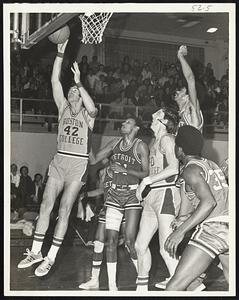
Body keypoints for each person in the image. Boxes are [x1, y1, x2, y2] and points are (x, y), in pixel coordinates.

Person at [17, 39, 98, 277]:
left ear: (82, 96)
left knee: (64, 209)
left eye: (76, 91)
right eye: (71, 90)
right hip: (60, 159)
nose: (72, 92)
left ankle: (50, 258)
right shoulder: (62, 106)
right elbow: (54, 80)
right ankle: (35, 251)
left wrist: (79, 82)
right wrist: (60, 54)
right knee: (45, 205)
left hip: (77, 163)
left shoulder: (88, 114)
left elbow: (93, 109)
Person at [165, 125, 229, 290]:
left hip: (215, 228)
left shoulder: (190, 170)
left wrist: (180, 232)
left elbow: (209, 203)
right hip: (230, 225)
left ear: (180, 149)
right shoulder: (211, 164)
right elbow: (217, 199)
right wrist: (184, 217)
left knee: (173, 287)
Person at [91, 117, 149, 290]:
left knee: (130, 241)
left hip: (132, 194)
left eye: (128, 123)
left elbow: (146, 173)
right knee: (111, 241)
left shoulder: (141, 146)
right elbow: (93, 160)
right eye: (123, 122)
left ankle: (141, 277)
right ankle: (112, 287)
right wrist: (85, 139)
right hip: (114, 195)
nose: (123, 124)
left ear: (136, 128)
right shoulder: (114, 143)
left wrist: (126, 170)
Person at [135, 107, 181, 291]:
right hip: (152, 196)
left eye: (158, 115)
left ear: (165, 122)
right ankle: (141, 288)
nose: (153, 116)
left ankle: (186, 285)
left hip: (166, 194)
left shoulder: (167, 139)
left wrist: (146, 181)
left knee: (165, 248)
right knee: (140, 245)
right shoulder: (154, 140)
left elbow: (174, 168)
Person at [78, 164, 126, 290]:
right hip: (107, 208)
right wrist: (85, 194)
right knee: (98, 243)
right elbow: (102, 190)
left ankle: (140, 278)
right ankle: (95, 280)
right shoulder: (106, 171)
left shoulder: (124, 168)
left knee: (131, 245)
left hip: (121, 207)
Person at [175, 45, 203, 132]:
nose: (177, 91)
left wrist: (180, 56)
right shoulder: (182, 113)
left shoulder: (192, 108)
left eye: (181, 91)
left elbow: (190, 79)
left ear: (187, 97)